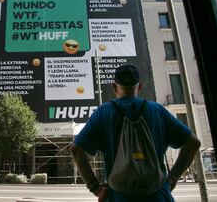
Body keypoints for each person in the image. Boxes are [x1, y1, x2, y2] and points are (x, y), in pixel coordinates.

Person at [70, 64, 201, 201]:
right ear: (139, 86)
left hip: (118, 197)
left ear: (115, 87)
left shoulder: (104, 113)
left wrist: (95, 188)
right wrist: (172, 179)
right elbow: (193, 143)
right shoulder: (156, 110)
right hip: (158, 196)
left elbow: (76, 149)